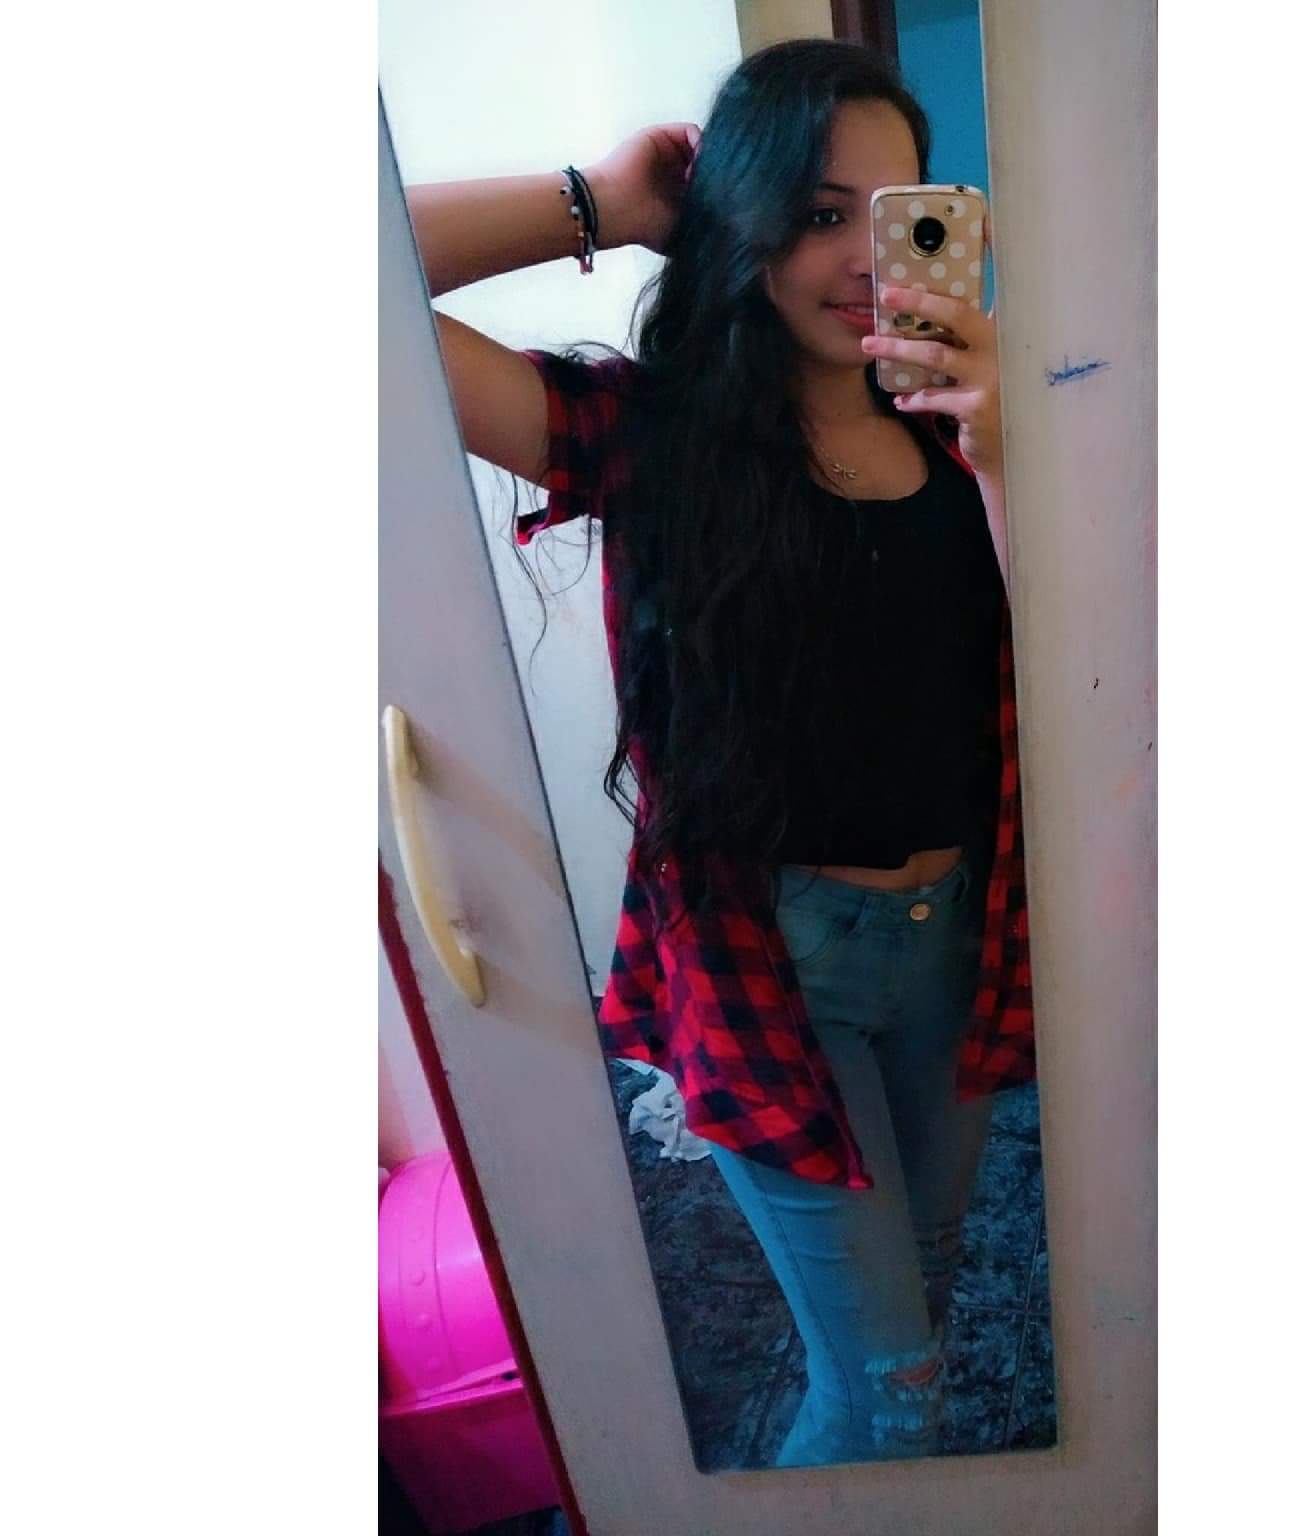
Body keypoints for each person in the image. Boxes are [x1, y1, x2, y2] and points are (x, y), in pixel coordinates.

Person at [405, 38, 1034, 1469]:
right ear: (742, 224)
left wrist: (1006, 447)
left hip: (962, 947)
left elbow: (1087, 668)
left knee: (920, 1313)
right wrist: (600, 201)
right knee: (894, 1392)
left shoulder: (982, 435)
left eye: (892, 213)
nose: (863, 258)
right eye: (817, 213)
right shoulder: (654, 435)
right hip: (773, 966)